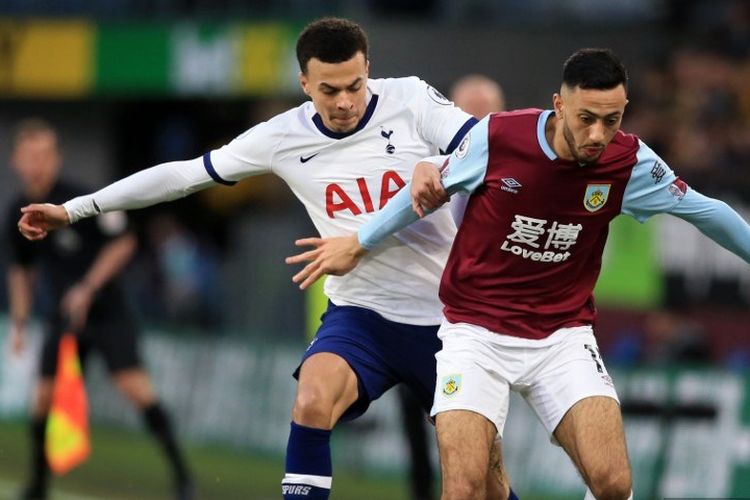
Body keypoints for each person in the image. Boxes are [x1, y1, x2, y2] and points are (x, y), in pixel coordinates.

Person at [15, 19, 515, 500]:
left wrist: (436, 163)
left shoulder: (408, 97)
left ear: (369, 70)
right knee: (313, 399)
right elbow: (183, 175)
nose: (344, 101)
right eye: (328, 90)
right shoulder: (282, 136)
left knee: (486, 483)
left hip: (449, 321)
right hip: (361, 315)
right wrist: (73, 209)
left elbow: (486, 147)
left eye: (354, 86)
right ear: (304, 83)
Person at [282, 48, 750, 499]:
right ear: (559, 104)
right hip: (475, 334)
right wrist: (360, 243)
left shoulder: (630, 163)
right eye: (586, 118)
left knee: (612, 483)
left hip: (562, 337)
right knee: (465, 488)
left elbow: (709, 213)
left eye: (612, 120)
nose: (597, 134)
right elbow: (424, 192)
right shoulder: (499, 138)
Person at [5, 119, 193, 500]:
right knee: (42, 398)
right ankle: (38, 485)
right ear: (15, 161)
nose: (37, 163)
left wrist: (88, 287)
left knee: (136, 390)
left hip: (108, 312)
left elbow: (123, 243)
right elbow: (21, 271)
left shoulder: (78, 200)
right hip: (63, 317)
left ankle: (183, 479)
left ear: (57, 158)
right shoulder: (18, 212)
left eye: (44, 154)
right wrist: (21, 324)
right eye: (29, 156)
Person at [395, 72, 507, 500]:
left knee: (481, 435)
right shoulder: (426, 170)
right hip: (424, 316)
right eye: (468, 114)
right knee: (421, 422)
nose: (475, 125)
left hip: (490, 325)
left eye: (485, 115)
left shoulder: (518, 173)